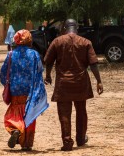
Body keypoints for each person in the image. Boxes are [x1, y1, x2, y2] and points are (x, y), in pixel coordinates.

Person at [44, 19, 104, 151]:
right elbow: (93, 64)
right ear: (77, 28)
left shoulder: (57, 41)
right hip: (80, 82)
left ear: (64, 28)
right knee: (81, 111)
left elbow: (48, 61)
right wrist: (99, 81)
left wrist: (48, 75)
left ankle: (67, 142)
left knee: (64, 113)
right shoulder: (85, 42)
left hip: (63, 84)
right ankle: (81, 139)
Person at [0, 29, 49, 151]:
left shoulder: (11, 55)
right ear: (29, 41)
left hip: (16, 90)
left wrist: (7, 85)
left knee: (15, 113)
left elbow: (3, 74)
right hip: (30, 91)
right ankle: (27, 144)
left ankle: (16, 130)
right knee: (29, 115)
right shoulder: (34, 55)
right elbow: (39, 71)